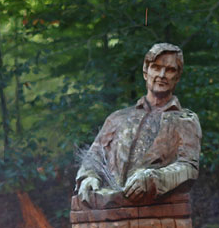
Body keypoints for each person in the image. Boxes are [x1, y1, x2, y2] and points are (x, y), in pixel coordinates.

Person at [75, 43, 202, 206]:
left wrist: (153, 179)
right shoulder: (117, 118)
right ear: (145, 71)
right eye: (156, 67)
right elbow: (93, 156)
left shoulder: (185, 120)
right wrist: (88, 176)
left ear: (177, 77)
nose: (162, 75)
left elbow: (189, 167)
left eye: (170, 70)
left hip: (160, 215)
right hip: (109, 214)